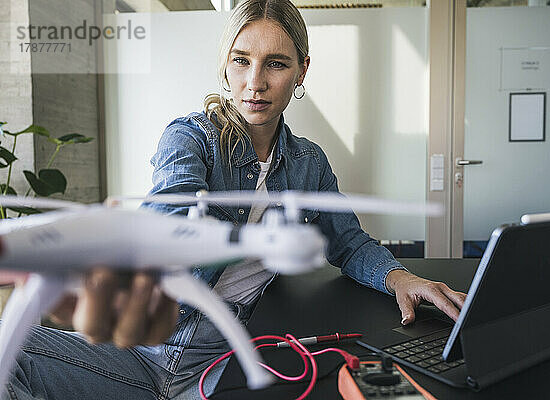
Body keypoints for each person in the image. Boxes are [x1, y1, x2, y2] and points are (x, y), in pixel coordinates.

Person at [2, 0, 466, 399]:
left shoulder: (308, 163)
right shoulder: (189, 139)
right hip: (151, 349)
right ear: (225, 65)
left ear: (302, 70)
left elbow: (348, 242)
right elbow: (170, 221)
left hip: (234, 353)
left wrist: (399, 276)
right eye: (241, 61)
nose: (255, 82)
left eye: (276, 64)